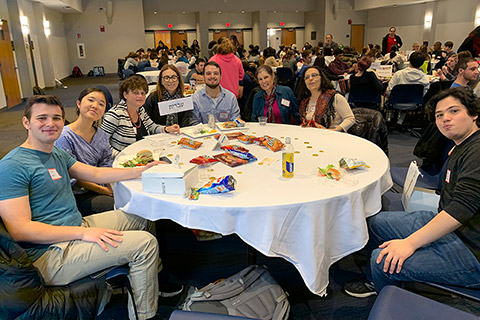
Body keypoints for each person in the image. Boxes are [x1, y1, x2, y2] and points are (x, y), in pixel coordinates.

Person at [0, 95, 169, 320]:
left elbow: (96, 173)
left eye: (56, 118)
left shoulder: (54, 152)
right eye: (42, 118)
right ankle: (145, 315)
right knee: (145, 244)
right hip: (49, 254)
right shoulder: (13, 166)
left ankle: (145, 280)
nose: (50, 123)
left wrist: (141, 170)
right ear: (26, 122)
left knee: (142, 215)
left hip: (73, 226)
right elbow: (20, 230)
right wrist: (84, 233)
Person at [344, 87, 480, 297]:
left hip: (472, 250)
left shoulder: (476, 151)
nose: (445, 119)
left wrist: (409, 244)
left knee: (381, 259)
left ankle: (390, 299)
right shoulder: (463, 145)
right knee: (376, 222)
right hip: (456, 228)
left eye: (454, 111)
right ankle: (384, 281)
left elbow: (461, 209)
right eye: (439, 115)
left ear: (473, 114)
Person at [55, 88, 114, 217]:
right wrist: (104, 190)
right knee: (117, 204)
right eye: (91, 100)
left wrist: (110, 187)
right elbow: (72, 175)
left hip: (100, 184)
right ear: (79, 103)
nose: (95, 106)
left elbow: (106, 163)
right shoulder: (65, 136)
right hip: (76, 194)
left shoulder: (101, 135)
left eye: (101, 104)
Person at [101, 76, 180, 157]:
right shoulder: (115, 114)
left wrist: (166, 129)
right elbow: (101, 143)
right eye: (135, 93)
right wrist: (121, 156)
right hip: (123, 160)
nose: (140, 96)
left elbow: (151, 127)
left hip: (143, 154)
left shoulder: (140, 109)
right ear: (125, 95)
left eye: (143, 93)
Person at [296, 66, 355, 131]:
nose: (310, 78)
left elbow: (350, 118)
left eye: (314, 75)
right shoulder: (305, 101)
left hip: (334, 136)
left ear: (321, 78)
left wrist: (336, 130)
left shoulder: (335, 97)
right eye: (307, 77)